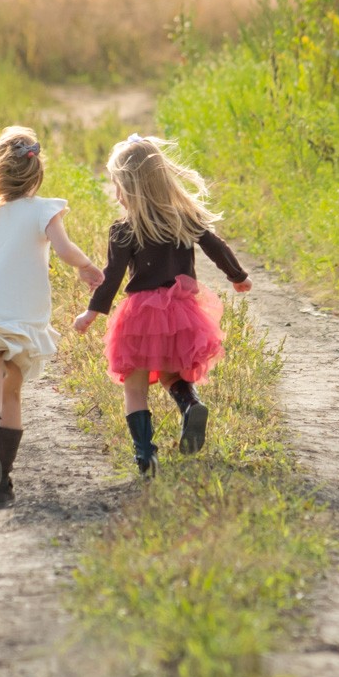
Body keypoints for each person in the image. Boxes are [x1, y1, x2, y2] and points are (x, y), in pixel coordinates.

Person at [72, 134, 251, 474]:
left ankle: (145, 456)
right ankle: (190, 405)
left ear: (129, 187)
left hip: (140, 316)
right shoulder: (185, 218)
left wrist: (92, 312)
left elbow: (112, 277)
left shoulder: (125, 229)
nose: (116, 194)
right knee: (172, 373)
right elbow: (216, 246)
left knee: (135, 386)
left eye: (117, 186)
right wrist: (237, 276)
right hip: (182, 312)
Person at [0, 125, 104, 509]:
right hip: (25, 317)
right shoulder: (43, 211)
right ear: (37, 172)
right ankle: (0, 485)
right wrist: (86, 267)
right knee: (13, 393)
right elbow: (65, 249)